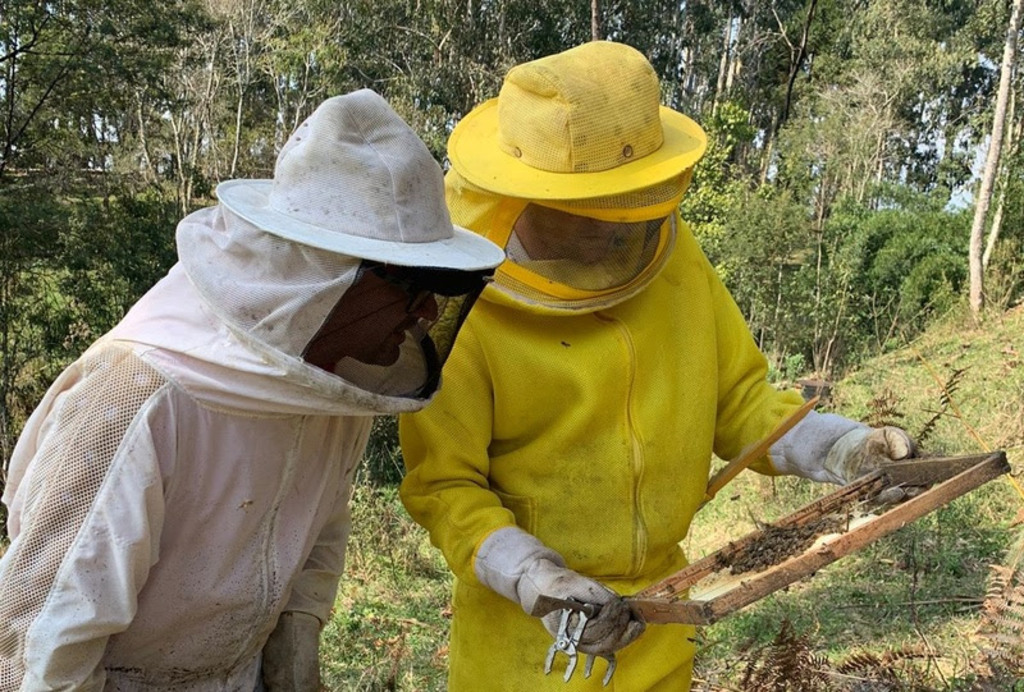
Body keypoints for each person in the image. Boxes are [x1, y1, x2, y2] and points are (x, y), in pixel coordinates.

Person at [398, 41, 915, 691]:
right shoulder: (457, 308)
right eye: (597, 213)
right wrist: (534, 577)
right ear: (529, 196)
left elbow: (739, 401)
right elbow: (445, 488)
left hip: (662, 623)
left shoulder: (670, 255)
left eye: (629, 206)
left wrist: (843, 446)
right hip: (525, 648)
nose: (616, 232)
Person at [0, 89, 504, 691]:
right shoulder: (135, 396)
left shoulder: (336, 382)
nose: (425, 312)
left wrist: (295, 639)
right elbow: (43, 643)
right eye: (410, 285)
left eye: (437, 287)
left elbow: (320, 523)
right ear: (319, 277)